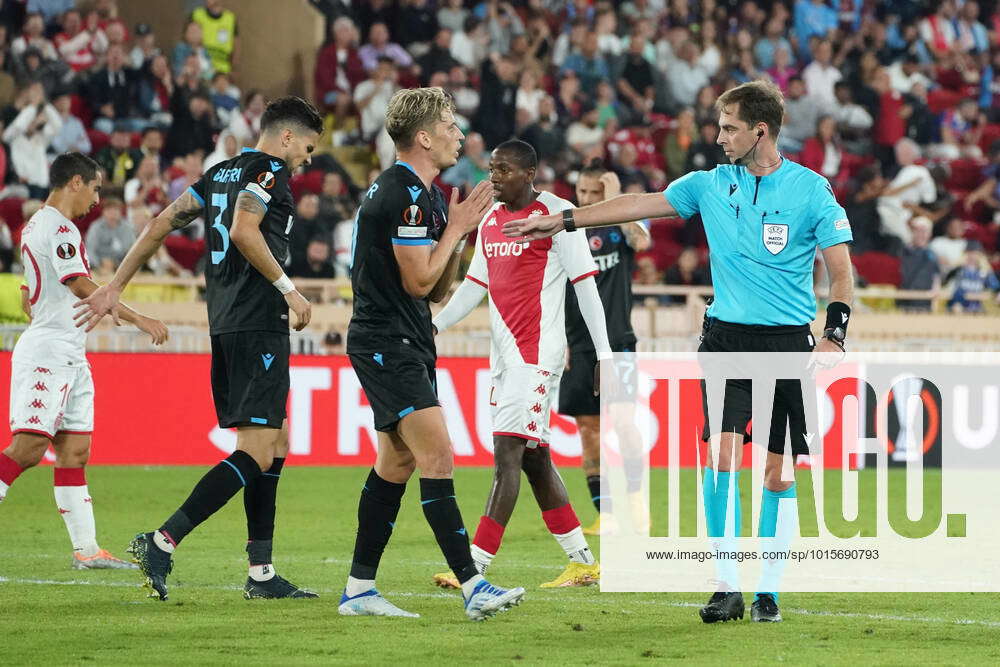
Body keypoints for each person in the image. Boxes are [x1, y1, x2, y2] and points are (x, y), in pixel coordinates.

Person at [502, 80, 855, 624]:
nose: (720, 138)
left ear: (761, 130)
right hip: (726, 341)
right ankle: (726, 585)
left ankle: (769, 590)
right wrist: (565, 218)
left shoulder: (811, 191)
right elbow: (638, 203)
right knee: (720, 457)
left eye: (730, 127)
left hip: (787, 345)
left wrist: (836, 332)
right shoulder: (710, 184)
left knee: (779, 474)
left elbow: (840, 270)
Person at [74, 97, 324, 602]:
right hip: (257, 322)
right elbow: (244, 230)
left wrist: (116, 285)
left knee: (275, 443)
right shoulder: (269, 170)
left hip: (227, 322)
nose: (308, 160)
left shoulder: (219, 175)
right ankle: (162, 540)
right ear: (287, 137)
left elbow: (161, 223)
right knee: (257, 450)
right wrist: (288, 289)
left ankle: (261, 573)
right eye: (309, 148)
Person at [343, 87, 524, 620]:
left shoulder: (415, 193)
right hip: (387, 342)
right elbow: (420, 281)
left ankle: (358, 589)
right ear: (423, 137)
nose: (458, 134)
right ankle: (473, 586)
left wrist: (456, 234)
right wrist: (460, 227)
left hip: (403, 338)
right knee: (437, 455)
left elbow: (440, 285)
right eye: (448, 125)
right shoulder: (405, 192)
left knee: (396, 462)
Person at [430, 140, 612, 590]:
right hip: (504, 361)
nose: (493, 177)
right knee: (534, 458)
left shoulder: (556, 215)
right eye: (491, 169)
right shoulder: (490, 220)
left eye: (503, 170)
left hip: (537, 356)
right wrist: (432, 327)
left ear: (529, 173)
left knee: (507, 454)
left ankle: (473, 567)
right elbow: (475, 287)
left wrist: (604, 354)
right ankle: (583, 562)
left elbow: (586, 287)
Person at [0, 152, 167, 569]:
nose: (96, 198)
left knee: (74, 451)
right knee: (29, 447)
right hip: (49, 352)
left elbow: (27, 295)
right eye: (94, 187)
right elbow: (79, 285)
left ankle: (87, 550)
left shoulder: (36, 224)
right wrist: (138, 318)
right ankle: (86, 550)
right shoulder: (60, 229)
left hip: (70, 352)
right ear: (75, 182)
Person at [559, 164, 650, 537]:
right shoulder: (565, 232)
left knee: (625, 423)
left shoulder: (620, 227)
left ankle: (637, 507)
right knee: (588, 429)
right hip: (578, 344)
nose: (585, 200)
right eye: (581, 193)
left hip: (616, 341)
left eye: (593, 194)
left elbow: (642, 242)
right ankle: (607, 513)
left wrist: (614, 199)